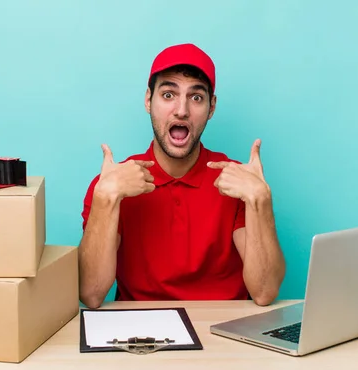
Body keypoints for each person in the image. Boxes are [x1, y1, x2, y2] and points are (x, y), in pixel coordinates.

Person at [79, 43, 285, 309]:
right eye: (168, 95)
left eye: (196, 97)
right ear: (147, 100)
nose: (181, 110)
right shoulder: (112, 185)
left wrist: (260, 199)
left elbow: (265, 291)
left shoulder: (237, 182)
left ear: (211, 107)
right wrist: (105, 199)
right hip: (142, 335)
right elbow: (91, 294)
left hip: (224, 333)